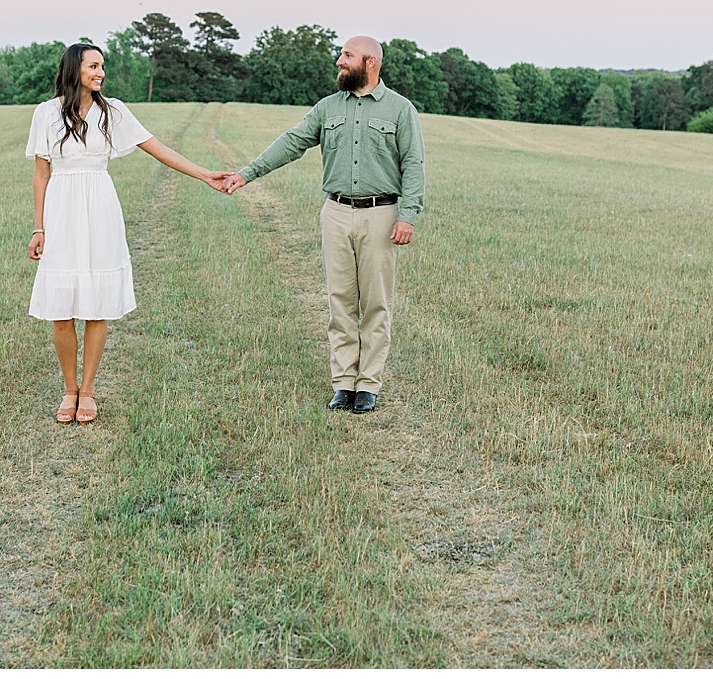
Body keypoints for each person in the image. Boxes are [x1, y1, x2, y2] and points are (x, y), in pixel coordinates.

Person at [27, 42, 230, 424]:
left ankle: (87, 391)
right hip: (61, 211)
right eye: (93, 66)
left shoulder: (113, 111)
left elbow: (158, 148)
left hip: (100, 206)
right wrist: (39, 227)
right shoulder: (46, 113)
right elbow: (41, 173)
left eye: (102, 66)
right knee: (61, 308)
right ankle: (68, 389)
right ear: (74, 70)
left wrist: (205, 174)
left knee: (97, 304)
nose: (101, 72)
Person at [218, 36, 423, 414]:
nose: (339, 62)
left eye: (347, 56)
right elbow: (293, 142)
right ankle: (344, 382)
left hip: (381, 214)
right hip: (336, 212)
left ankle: (369, 385)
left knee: (376, 303)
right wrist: (247, 174)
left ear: (370, 62)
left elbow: (413, 164)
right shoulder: (327, 108)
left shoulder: (400, 110)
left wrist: (408, 215)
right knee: (340, 301)